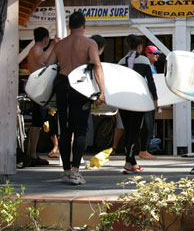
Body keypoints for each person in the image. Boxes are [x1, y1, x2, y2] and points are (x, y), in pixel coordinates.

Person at [43, 11, 105, 185]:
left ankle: (66, 171)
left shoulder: (60, 45)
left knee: (65, 129)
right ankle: (76, 171)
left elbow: (49, 65)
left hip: (62, 84)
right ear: (84, 26)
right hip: (80, 86)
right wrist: (102, 91)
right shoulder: (89, 43)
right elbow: (97, 66)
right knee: (80, 129)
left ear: (69, 26)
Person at [118, 35, 158, 173]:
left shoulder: (121, 61)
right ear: (140, 47)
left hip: (123, 100)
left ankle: (129, 162)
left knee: (128, 130)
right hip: (137, 100)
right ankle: (130, 162)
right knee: (134, 131)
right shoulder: (144, 61)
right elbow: (150, 82)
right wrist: (155, 99)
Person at [25, 27, 59, 167]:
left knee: (37, 123)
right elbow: (41, 61)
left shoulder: (37, 50)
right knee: (37, 123)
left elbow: (47, 61)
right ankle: (31, 154)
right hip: (36, 89)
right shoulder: (36, 50)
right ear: (45, 38)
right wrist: (52, 45)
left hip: (37, 88)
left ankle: (30, 153)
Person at [138, 45, 161, 160]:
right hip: (147, 99)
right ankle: (143, 150)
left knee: (148, 126)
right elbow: (150, 83)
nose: (157, 55)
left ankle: (144, 150)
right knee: (147, 125)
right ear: (148, 54)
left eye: (157, 53)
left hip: (150, 99)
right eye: (154, 53)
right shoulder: (147, 66)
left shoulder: (153, 67)